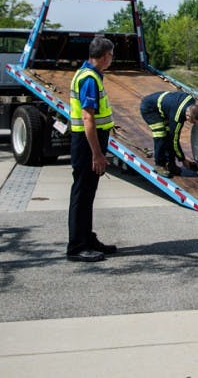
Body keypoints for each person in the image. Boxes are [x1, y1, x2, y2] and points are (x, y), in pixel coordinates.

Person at [66, 36, 117, 263]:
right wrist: (97, 153)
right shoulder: (89, 79)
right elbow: (88, 117)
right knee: (82, 193)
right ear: (105, 56)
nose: (112, 58)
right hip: (87, 145)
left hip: (89, 143)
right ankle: (77, 246)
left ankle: (87, 238)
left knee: (87, 194)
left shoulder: (90, 74)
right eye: (112, 55)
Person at [139, 91, 198, 177]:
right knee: (160, 135)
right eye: (192, 121)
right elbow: (174, 141)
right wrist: (183, 159)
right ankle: (159, 165)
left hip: (165, 109)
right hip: (150, 109)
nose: (193, 123)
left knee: (168, 134)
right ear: (187, 116)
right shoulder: (177, 117)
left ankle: (171, 165)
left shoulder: (191, 102)